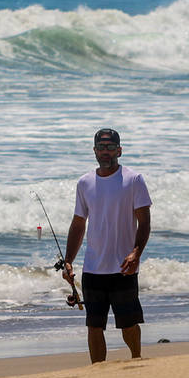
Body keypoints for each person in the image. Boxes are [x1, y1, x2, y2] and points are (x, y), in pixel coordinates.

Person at [61, 128, 152, 363]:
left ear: (119, 150)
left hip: (124, 267)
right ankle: (98, 371)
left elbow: (144, 222)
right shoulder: (84, 183)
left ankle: (137, 361)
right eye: (101, 147)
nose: (105, 152)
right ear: (94, 151)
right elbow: (78, 224)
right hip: (93, 269)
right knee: (94, 326)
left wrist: (136, 253)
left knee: (129, 325)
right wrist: (69, 261)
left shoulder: (133, 179)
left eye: (110, 147)